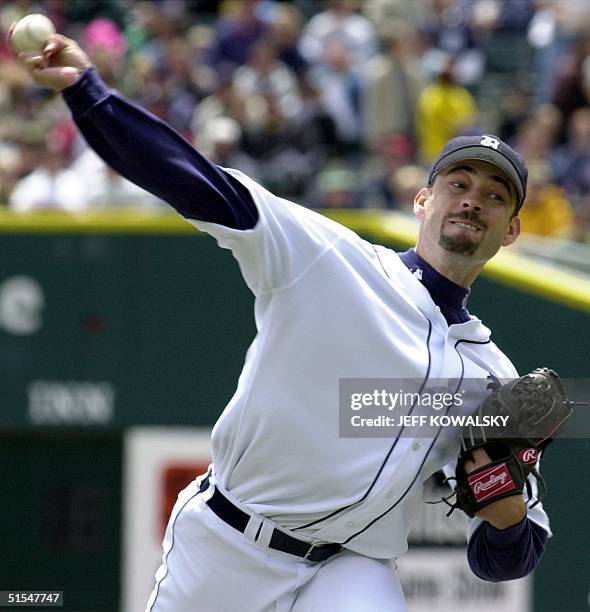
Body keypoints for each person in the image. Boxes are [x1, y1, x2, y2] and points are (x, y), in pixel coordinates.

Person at [12, 31, 551, 612]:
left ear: (512, 231)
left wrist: (507, 515)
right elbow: (194, 181)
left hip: (348, 567)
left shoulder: (492, 377)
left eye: (497, 196)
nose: (473, 200)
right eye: (459, 184)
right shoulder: (329, 259)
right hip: (228, 546)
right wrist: (91, 94)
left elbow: (504, 560)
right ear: (422, 201)